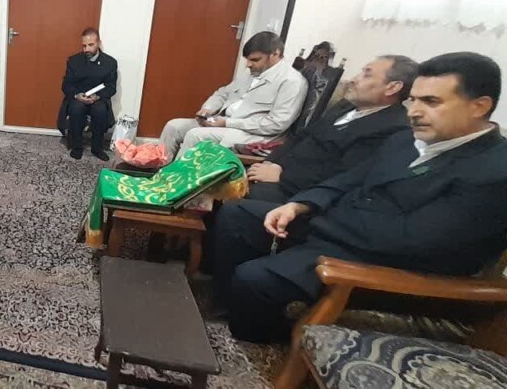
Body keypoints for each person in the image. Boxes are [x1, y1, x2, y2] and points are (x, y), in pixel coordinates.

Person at [211, 52, 507, 344]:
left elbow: (414, 241)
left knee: (255, 278)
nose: (414, 112)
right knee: (237, 216)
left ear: (479, 106)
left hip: (393, 269)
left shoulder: (494, 172)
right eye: (414, 100)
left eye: (431, 102)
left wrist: (320, 220)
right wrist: (300, 205)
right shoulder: (407, 139)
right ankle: (228, 308)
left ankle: (264, 345)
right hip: (346, 231)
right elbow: (349, 179)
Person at [245, 55, 418, 202]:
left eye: (367, 75)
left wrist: (281, 177)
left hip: (301, 195)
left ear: (392, 87)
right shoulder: (346, 106)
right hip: (276, 173)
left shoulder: (392, 128)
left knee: (236, 198)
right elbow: (302, 136)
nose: (353, 79)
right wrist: (272, 162)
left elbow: (340, 176)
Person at [159, 31, 307, 160]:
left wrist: (227, 123)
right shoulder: (253, 72)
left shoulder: (291, 81)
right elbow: (223, 93)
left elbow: (276, 124)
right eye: (247, 59)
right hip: (223, 123)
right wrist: (208, 109)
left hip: (253, 135)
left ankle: (175, 180)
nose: (248, 64)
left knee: (195, 135)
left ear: (275, 54)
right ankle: (157, 170)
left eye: (255, 60)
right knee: (173, 126)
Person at [56, 27, 118, 161]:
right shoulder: (74, 60)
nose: (86, 49)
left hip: (98, 97)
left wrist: (98, 96)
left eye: (91, 45)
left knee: (100, 110)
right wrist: (77, 95)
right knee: (76, 108)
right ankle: (77, 147)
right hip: (79, 96)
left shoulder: (110, 63)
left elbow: (111, 87)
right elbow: (66, 84)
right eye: (84, 46)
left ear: (99, 43)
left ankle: (97, 148)